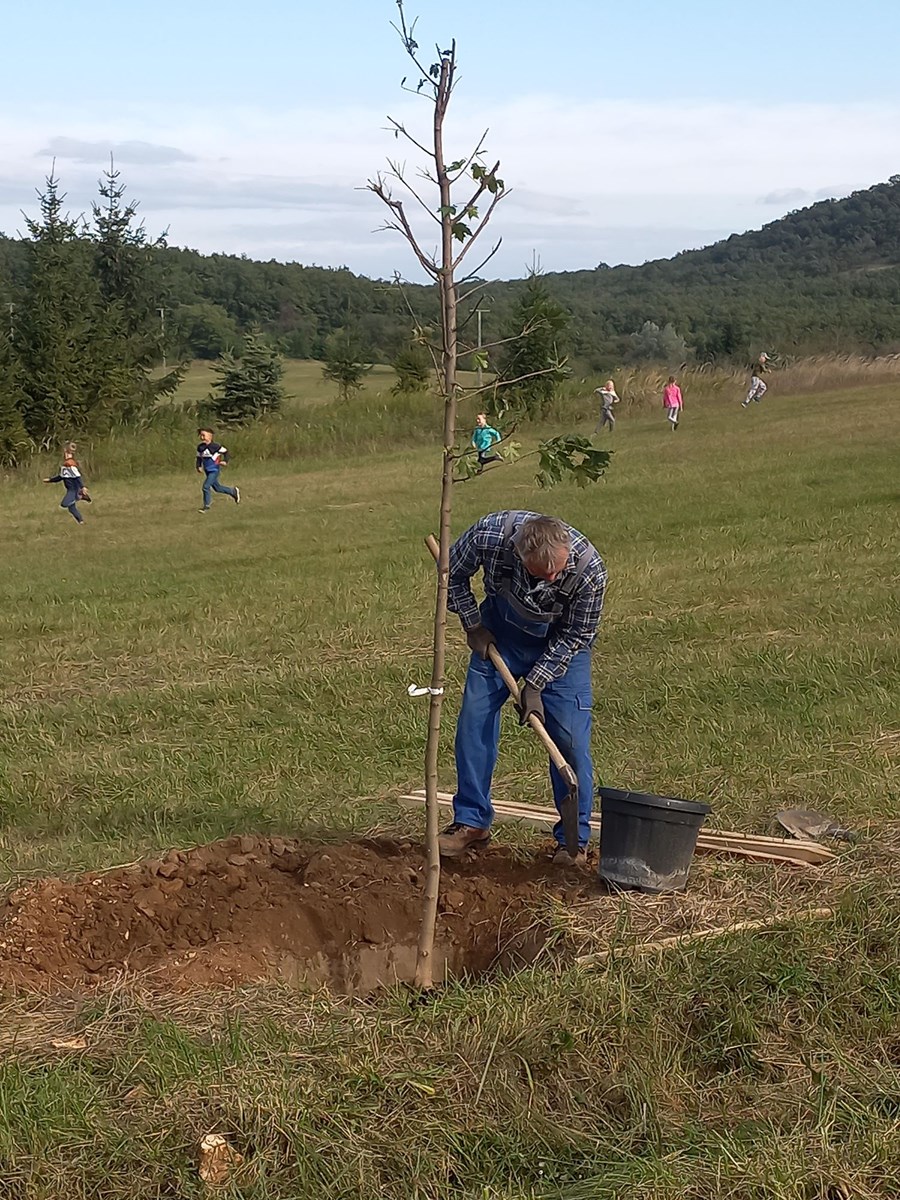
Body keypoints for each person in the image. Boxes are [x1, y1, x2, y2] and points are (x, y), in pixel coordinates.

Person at [440, 511, 607, 867]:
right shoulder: (489, 536)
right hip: (499, 636)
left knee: (571, 742)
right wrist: (473, 625)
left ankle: (573, 841)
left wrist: (537, 682)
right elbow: (451, 574)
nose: (552, 578)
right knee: (474, 722)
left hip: (561, 648)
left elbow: (577, 635)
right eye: (541, 573)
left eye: (557, 571)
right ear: (519, 554)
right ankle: (471, 821)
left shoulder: (590, 570)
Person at [43, 442, 91, 524]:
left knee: (64, 504)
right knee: (71, 508)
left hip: (73, 489)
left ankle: (80, 496)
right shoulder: (65, 465)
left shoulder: (70, 464)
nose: (64, 454)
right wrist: (50, 480)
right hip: (70, 489)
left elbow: (77, 476)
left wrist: (82, 487)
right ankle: (81, 521)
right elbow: (61, 477)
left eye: (66, 453)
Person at [196, 428, 241, 512]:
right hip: (207, 470)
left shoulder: (215, 446)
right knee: (217, 488)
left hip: (214, 470)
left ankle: (206, 506)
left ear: (210, 436)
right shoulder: (200, 447)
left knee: (206, 487)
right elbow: (198, 458)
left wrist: (225, 461)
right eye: (200, 435)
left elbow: (226, 452)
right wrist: (198, 466)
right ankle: (233, 491)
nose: (202, 437)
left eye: (203, 435)